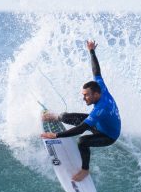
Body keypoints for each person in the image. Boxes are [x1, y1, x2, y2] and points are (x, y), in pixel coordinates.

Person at [41, 40, 121, 182]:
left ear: (96, 95)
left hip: (108, 135)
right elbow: (96, 71)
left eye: (86, 95)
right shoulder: (100, 87)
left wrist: (56, 135)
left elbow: (81, 129)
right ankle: (56, 117)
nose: (84, 98)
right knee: (66, 116)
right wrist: (91, 51)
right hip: (100, 124)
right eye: (83, 94)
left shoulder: (100, 109)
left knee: (82, 141)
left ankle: (85, 171)